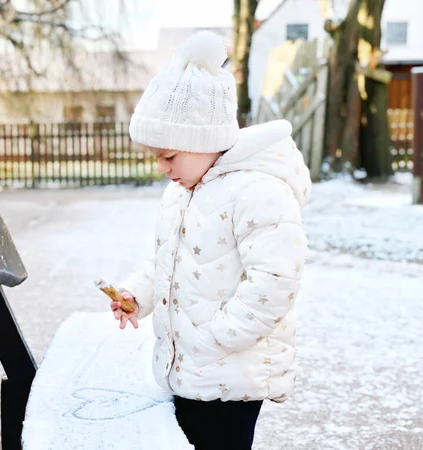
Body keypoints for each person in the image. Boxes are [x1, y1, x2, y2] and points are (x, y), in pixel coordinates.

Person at [109, 30, 311, 449]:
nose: (162, 168)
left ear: (204, 140)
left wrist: (214, 337)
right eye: (156, 157)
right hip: (189, 372)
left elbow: (276, 281)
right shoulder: (181, 191)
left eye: (169, 155)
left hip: (230, 377)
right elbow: (164, 261)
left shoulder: (258, 191)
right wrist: (137, 294)